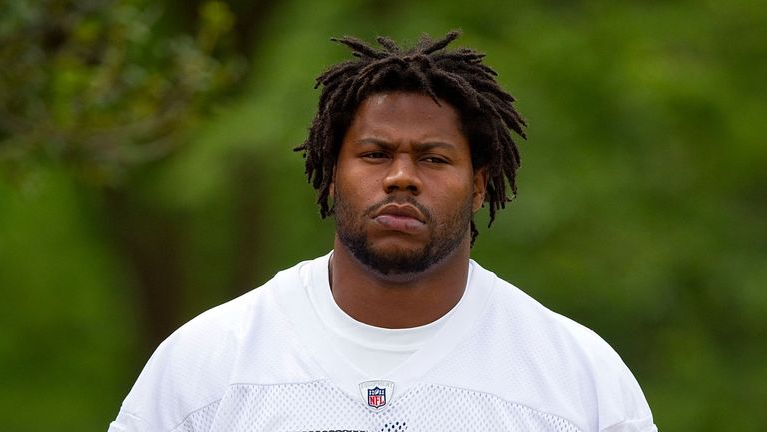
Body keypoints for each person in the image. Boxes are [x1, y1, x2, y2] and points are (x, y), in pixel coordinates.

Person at [108, 31, 657, 432]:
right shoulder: (209, 364)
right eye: (374, 154)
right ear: (328, 176)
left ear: (479, 187)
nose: (401, 178)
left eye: (434, 159)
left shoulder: (578, 380)